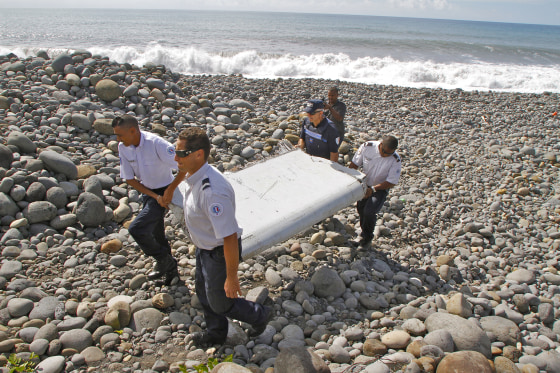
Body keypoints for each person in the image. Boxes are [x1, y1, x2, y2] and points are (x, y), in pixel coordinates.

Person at [174, 127, 272, 347]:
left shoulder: (212, 192)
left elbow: (228, 237)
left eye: (180, 153)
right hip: (204, 248)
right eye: (175, 150)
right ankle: (216, 333)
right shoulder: (195, 174)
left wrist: (232, 276)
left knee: (221, 303)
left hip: (219, 252)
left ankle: (260, 315)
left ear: (198, 154)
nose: (175, 157)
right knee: (203, 292)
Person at [112, 115, 184, 285]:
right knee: (156, 233)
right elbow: (129, 179)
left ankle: (163, 260)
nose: (118, 139)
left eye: (120, 135)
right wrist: (154, 197)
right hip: (150, 192)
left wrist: (169, 191)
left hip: (166, 189)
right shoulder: (124, 147)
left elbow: (183, 166)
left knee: (137, 229)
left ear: (133, 131)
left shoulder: (156, 144)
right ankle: (171, 272)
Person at [349, 135, 402, 248]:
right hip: (364, 184)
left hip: (380, 188)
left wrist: (373, 189)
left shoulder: (395, 160)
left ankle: (367, 238)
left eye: (389, 154)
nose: (385, 155)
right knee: (361, 209)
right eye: (384, 152)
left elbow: (392, 181)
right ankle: (363, 233)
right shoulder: (368, 147)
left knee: (369, 211)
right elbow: (355, 164)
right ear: (381, 144)